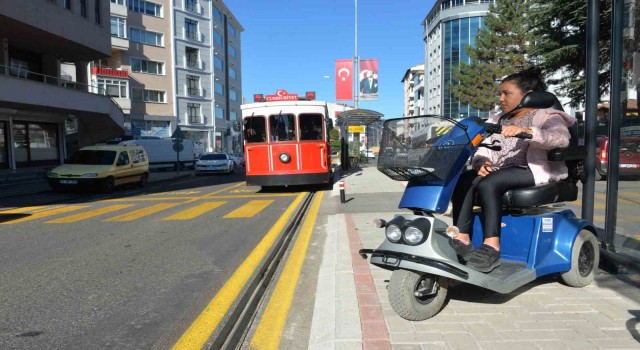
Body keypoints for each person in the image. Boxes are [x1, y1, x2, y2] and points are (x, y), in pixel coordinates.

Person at [447, 67, 576, 273]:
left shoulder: (549, 116)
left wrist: (526, 132)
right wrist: (480, 161)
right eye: (500, 93)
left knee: (490, 184)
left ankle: (492, 246)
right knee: (464, 180)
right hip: (500, 169)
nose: (501, 99)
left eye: (506, 93)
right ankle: (462, 238)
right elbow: (482, 145)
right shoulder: (498, 119)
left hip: (532, 169)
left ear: (529, 96)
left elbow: (561, 138)